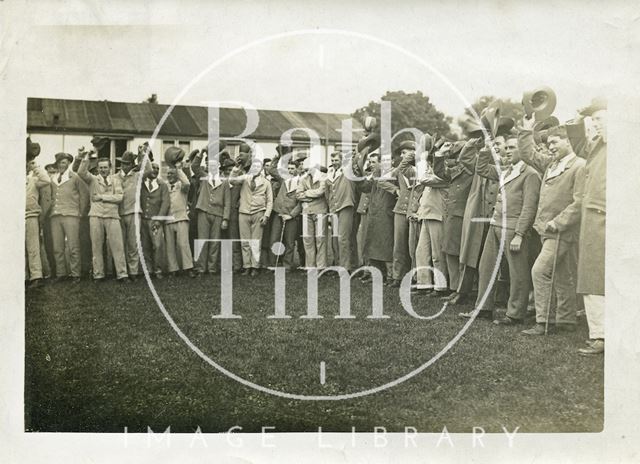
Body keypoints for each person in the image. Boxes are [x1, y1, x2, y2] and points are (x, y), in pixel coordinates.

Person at [459, 135, 541, 323]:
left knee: (517, 272)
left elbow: (529, 207)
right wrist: (486, 149)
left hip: (513, 229)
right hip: (495, 225)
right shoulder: (506, 170)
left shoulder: (531, 174)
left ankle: (514, 314)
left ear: (524, 150)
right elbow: (480, 168)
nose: (508, 150)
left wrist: (520, 234)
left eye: (513, 147)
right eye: (507, 147)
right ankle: (483, 308)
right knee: (485, 267)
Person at [518, 121, 585, 335]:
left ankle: (543, 322)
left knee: (539, 271)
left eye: (555, 142)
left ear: (568, 141)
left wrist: (558, 222)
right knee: (563, 275)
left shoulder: (579, 166)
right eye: (548, 144)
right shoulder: (551, 164)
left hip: (561, 231)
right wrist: (527, 130)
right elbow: (528, 153)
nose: (551, 147)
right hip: (546, 231)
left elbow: (580, 201)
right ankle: (566, 320)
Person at [570, 98, 607, 355]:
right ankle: (600, 335)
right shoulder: (598, 145)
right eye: (593, 120)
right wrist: (578, 121)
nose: (595, 125)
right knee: (592, 278)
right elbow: (581, 145)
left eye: (599, 119)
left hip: (607, 218)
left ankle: (606, 335)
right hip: (594, 219)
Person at [449, 137, 501, 305]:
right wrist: (474, 143)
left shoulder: (509, 166)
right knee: (470, 254)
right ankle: (462, 292)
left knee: (494, 260)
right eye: (495, 145)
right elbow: (465, 158)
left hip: (497, 218)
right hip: (478, 215)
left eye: (499, 145)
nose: (497, 148)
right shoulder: (480, 162)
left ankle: (495, 296)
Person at [432, 140, 476, 297]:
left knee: (461, 254)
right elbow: (439, 173)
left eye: (457, 155)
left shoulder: (472, 169)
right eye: (455, 156)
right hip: (452, 215)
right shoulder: (458, 170)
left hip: (463, 216)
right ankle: (455, 287)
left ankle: (461, 290)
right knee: (450, 251)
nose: (456, 159)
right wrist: (439, 154)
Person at [77, 151, 128, 282]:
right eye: (101, 168)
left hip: (112, 215)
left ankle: (122, 274)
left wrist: (101, 197)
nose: (103, 170)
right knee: (96, 245)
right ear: (98, 168)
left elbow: (119, 197)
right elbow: (81, 172)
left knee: (117, 246)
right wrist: (85, 158)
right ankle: (98, 274)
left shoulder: (116, 180)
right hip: (96, 215)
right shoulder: (93, 179)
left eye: (105, 167)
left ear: (110, 168)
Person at [230, 150, 273, 276]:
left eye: (258, 167)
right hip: (243, 212)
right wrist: (236, 168)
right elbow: (232, 181)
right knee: (245, 241)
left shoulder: (266, 182)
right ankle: (246, 266)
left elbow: (270, 201)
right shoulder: (245, 178)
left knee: (256, 241)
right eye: (253, 166)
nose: (255, 169)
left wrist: (266, 215)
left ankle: (255, 266)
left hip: (258, 213)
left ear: (261, 169)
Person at [190, 147, 231, 275]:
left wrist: (225, 219)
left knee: (214, 241)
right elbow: (195, 167)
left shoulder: (224, 182)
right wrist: (201, 154)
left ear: (219, 166)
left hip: (218, 214)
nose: (212, 168)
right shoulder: (204, 177)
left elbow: (227, 202)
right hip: (203, 211)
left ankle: (212, 268)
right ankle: (201, 268)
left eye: (214, 165)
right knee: (202, 240)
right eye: (209, 165)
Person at [357, 151, 396, 281]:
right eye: (370, 162)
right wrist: (358, 173)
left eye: (374, 162)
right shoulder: (373, 176)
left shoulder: (390, 175)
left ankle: (390, 275)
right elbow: (364, 187)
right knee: (373, 245)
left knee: (385, 245)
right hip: (374, 214)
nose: (371, 164)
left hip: (386, 214)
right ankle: (378, 274)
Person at [49, 152, 87, 283]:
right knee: (57, 247)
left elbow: (84, 194)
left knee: (73, 245)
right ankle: (61, 273)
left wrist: (80, 212)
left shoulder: (74, 177)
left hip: (71, 215)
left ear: (69, 163)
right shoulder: (52, 178)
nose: (61, 165)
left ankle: (75, 274)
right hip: (55, 216)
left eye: (64, 162)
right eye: (59, 162)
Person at [412, 162, 449, 293]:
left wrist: (424, 168)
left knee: (437, 253)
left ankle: (441, 285)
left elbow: (423, 179)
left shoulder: (442, 177)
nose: (429, 167)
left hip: (437, 215)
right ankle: (424, 284)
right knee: (421, 251)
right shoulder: (431, 177)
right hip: (426, 215)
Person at [117, 147, 152, 280]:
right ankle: (122, 272)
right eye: (122, 163)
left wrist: (143, 154)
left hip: (134, 213)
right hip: (119, 213)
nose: (124, 166)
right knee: (120, 244)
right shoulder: (115, 177)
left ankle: (133, 272)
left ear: (132, 165)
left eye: (127, 163)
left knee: (133, 244)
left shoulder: (137, 176)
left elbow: (148, 169)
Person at [325, 151, 358, 272]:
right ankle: (337, 264)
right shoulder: (330, 173)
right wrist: (329, 210)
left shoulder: (347, 171)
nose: (334, 163)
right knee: (334, 238)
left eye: (336, 160)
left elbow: (352, 163)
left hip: (345, 206)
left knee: (343, 239)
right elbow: (328, 193)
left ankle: (346, 267)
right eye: (332, 160)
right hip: (334, 208)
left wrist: (352, 154)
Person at [267, 156, 302, 270]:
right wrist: (278, 156)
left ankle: (287, 265)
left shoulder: (302, 182)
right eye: (289, 168)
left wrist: (291, 215)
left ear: (298, 169)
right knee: (274, 239)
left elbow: (301, 203)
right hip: (278, 213)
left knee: (289, 241)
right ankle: (273, 264)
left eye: (293, 168)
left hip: (291, 216)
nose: (290, 170)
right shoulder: (283, 178)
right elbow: (271, 170)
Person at [140, 162, 170, 279]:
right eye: (153, 168)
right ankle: (148, 269)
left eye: (158, 168)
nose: (155, 170)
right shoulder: (141, 184)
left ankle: (158, 270)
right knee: (145, 245)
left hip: (155, 220)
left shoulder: (162, 185)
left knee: (157, 245)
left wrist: (159, 220)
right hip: (143, 219)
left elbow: (165, 203)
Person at [297, 161, 328, 269]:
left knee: (320, 239)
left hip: (320, 211)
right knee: (307, 239)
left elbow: (321, 191)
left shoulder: (323, 177)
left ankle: (321, 266)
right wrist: (311, 195)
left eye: (308, 168)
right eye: (305, 168)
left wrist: (306, 193)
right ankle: (310, 266)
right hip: (306, 211)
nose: (306, 170)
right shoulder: (303, 179)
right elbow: (298, 195)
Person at [164, 163, 194, 276]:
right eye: (168, 174)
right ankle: (173, 269)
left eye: (172, 173)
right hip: (168, 218)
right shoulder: (165, 186)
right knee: (170, 246)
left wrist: (179, 169)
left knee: (183, 244)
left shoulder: (182, 185)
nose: (169, 175)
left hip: (181, 217)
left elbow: (187, 182)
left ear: (176, 175)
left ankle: (188, 268)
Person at [25, 160, 51, 287]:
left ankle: (36, 277)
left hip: (31, 215)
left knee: (33, 246)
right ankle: (24, 276)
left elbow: (46, 180)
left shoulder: (34, 180)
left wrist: (35, 166)